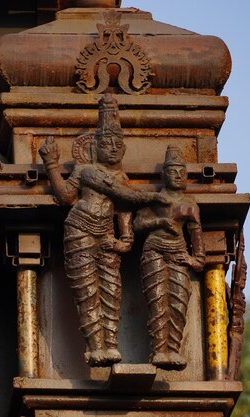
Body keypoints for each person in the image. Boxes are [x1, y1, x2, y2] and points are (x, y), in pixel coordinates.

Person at [39, 94, 165, 367]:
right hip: (80, 230)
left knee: (111, 291)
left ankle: (111, 345)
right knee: (87, 292)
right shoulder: (87, 172)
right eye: (106, 143)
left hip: (107, 235)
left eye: (117, 144)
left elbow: (123, 210)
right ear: (94, 148)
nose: (112, 148)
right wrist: (51, 164)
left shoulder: (121, 177)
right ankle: (95, 347)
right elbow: (64, 197)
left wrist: (126, 239)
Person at [133, 145, 206, 370]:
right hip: (154, 249)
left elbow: (196, 234)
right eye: (173, 172)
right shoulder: (156, 200)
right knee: (157, 300)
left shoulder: (190, 204)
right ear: (164, 175)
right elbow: (138, 224)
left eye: (182, 173)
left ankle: (173, 349)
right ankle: (159, 350)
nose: (178, 176)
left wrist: (197, 259)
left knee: (178, 300)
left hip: (178, 252)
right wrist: (160, 222)